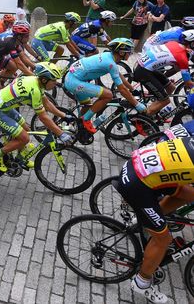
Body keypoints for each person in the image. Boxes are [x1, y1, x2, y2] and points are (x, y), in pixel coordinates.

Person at [116, 137, 194, 303]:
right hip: (138, 184)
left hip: (141, 168)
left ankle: (151, 221)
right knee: (164, 240)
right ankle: (141, 283)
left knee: (189, 194)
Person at [0, 62, 75, 172]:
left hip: (4, 107)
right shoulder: (35, 90)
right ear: (44, 80)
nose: (55, 83)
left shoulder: (35, 81)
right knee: (25, 138)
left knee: (27, 129)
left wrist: (64, 115)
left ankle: (20, 158)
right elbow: (43, 117)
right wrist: (60, 133)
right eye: (53, 80)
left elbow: (47, 103)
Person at [64, 38, 145, 133]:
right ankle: (85, 120)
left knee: (87, 105)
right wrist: (136, 104)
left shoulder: (108, 56)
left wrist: (132, 90)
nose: (130, 54)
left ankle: (76, 127)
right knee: (108, 95)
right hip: (74, 82)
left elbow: (119, 75)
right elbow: (122, 89)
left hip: (72, 78)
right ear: (121, 52)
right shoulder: (110, 63)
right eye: (129, 52)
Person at [133, 36, 194, 116]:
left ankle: (155, 108)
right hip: (143, 71)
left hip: (145, 66)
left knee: (171, 87)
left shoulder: (175, 44)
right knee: (165, 100)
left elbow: (174, 68)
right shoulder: (183, 59)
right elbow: (188, 83)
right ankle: (142, 119)